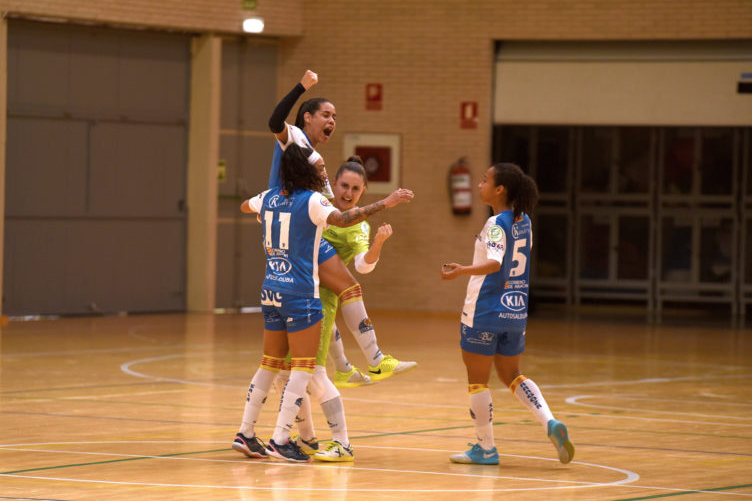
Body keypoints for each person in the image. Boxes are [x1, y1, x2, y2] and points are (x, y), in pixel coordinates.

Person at [232, 143, 413, 463]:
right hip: (301, 295)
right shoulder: (313, 201)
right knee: (302, 369)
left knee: (269, 365)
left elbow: (246, 205)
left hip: (270, 290)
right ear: (306, 171)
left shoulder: (269, 197)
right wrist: (385, 202)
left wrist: (267, 213)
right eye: (318, 169)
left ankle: (246, 432)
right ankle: (279, 438)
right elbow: (343, 219)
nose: (323, 174)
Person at [266, 70, 416, 382]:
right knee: (347, 290)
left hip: (294, 232)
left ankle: (345, 368)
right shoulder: (294, 138)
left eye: (335, 116)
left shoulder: (316, 161)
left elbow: (338, 215)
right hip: (293, 233)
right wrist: (301, 87)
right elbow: (274, 121)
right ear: (307, 117)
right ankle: (372, 360)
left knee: (292, 355)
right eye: (326, 114)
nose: (332, 120)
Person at [440, 162, 574, 466]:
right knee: (511, 375)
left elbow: (494, 263)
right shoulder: (524, 220)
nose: (479, 184)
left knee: (478, 381)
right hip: (515, 313)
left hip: (484, 311)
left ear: (500, 190)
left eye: (485, 180)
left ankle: (486, 449)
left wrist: (462, 271)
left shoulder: (496, 224)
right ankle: (549, 421)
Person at [324, 157, 417, 387]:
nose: (348, 193)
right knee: (297, 371)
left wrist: (378, 243)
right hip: (298, 282)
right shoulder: (320, 203)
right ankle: (371, 361)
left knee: (306, 363)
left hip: (322, 291)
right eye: (344, 186)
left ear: (363, 190)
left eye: (356, 188)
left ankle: (346, 368)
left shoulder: (360, 225)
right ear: (333, 183)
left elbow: (363, 266)